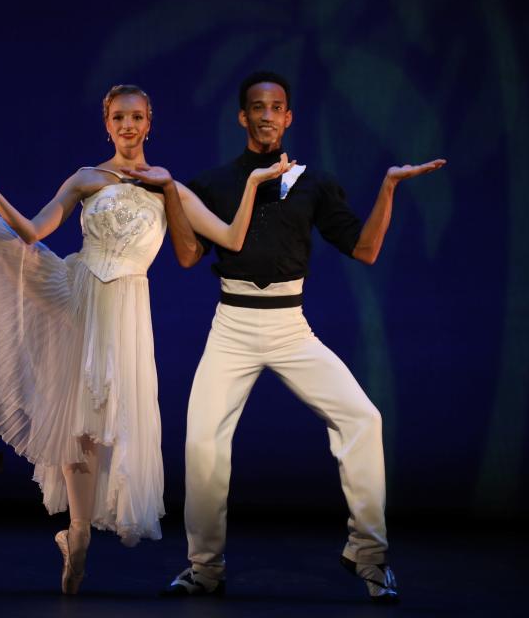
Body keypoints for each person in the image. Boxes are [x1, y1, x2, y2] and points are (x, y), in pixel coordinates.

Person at [0, 85, 293, 595]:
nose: (128, 126)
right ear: (106, 123)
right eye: (118, 117)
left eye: (136, 117)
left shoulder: (166, 185)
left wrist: (255, 181)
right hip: (76, 293)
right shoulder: (87, 178)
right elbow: (32, 232)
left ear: (149, 122)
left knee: (97, 420)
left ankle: (79, 537)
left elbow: (231, 239)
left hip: (126, 308)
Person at [160, 72, 446, 603]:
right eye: (257, 107)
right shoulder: (215, 184)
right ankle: (204, 568)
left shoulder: (314, 183)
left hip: (291, 325)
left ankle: (368, 553)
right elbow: (187, 256)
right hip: (233, 326)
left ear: (288, 117)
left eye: (277, 107)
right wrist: (171, 199)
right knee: (202, 440)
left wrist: (387, 186)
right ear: (242, 117)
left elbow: (364, 250)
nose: (267, 115)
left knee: (363, 418)